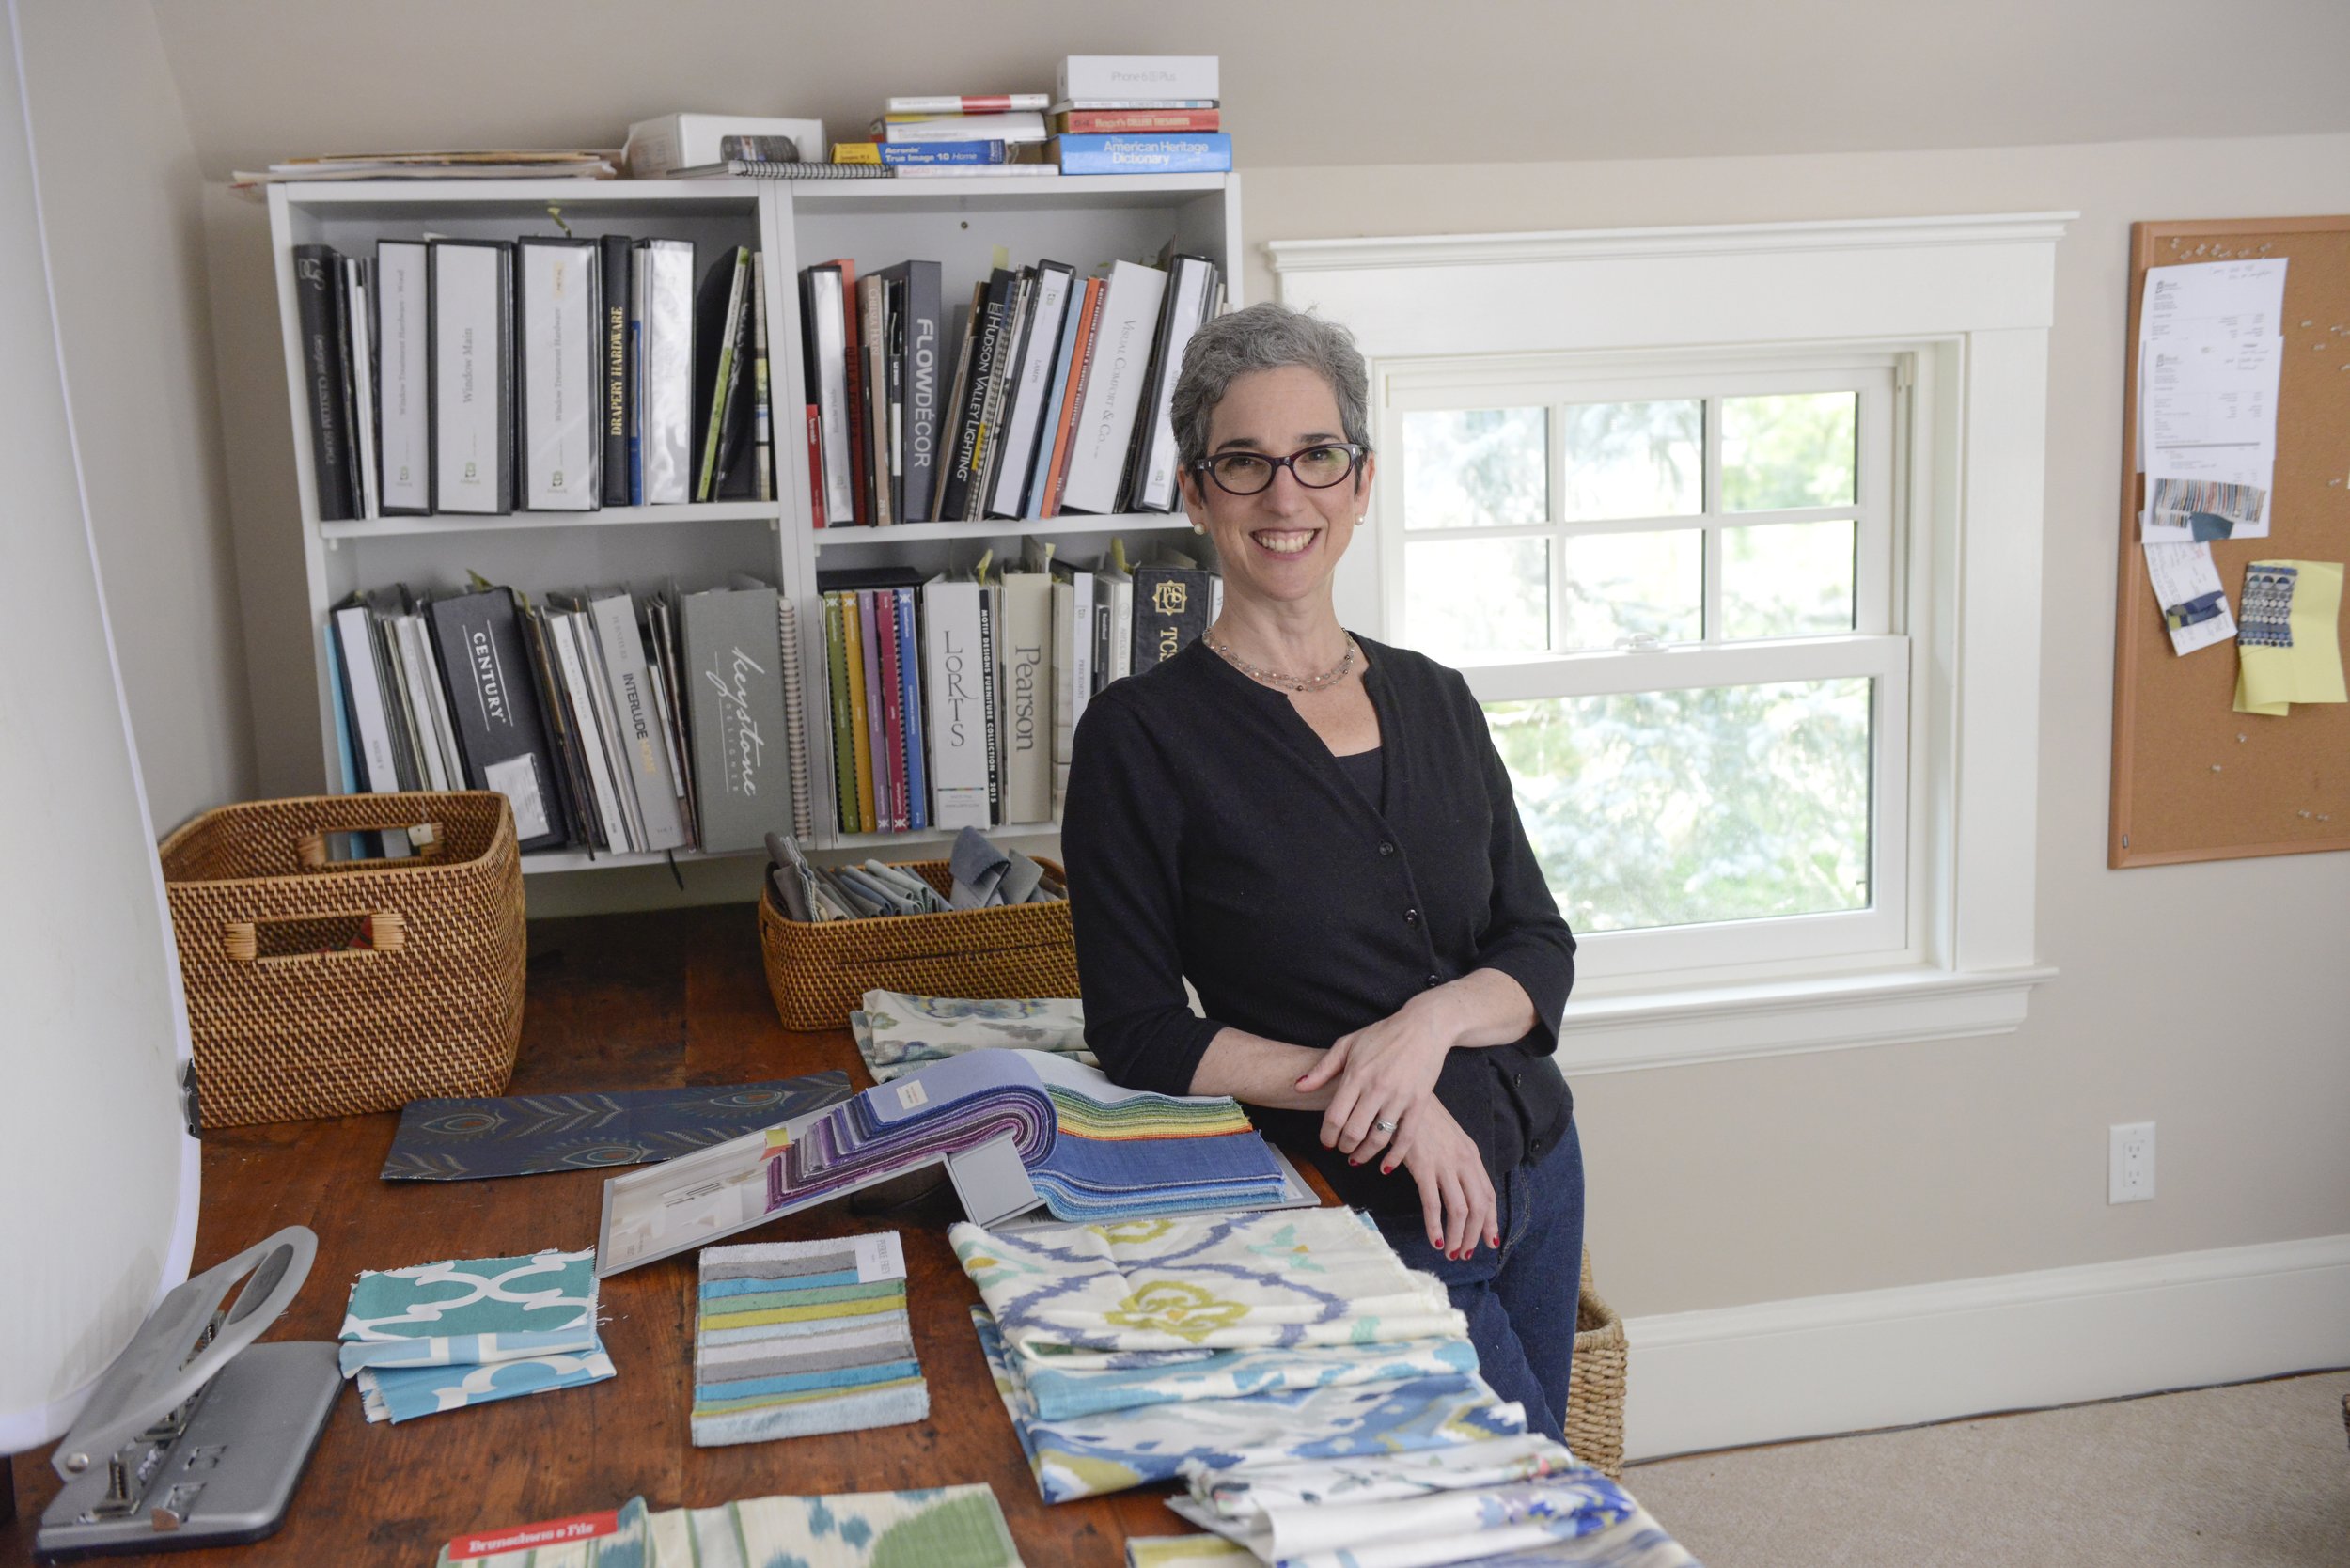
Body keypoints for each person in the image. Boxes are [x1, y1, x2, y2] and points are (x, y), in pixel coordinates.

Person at [1060, 301, 1586, 1445]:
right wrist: (1388, 1105)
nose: (1284, 497)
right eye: (1244, 464)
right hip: (1362, 1213)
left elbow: (1537, 951)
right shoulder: (1138, 736)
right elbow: (1141, 1031)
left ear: (1360, 481)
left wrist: (1428, 1028)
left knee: (1550, 1497)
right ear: (1196, 492)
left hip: (1541, 1169)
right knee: (1519, 1509)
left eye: (1316, 457)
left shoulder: (1436, 695)